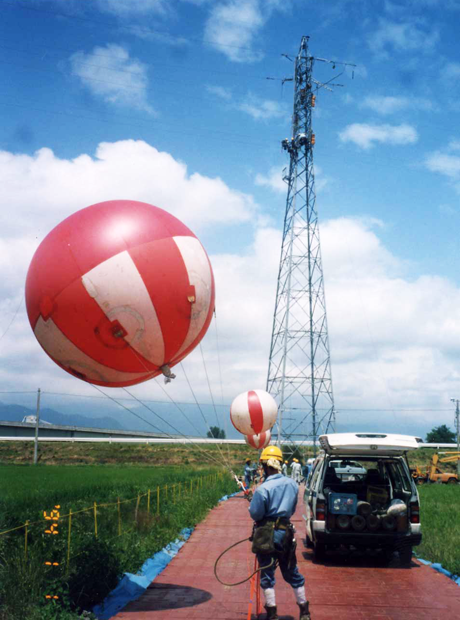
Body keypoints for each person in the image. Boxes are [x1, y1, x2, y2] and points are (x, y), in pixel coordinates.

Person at [249, 445, 310, 620]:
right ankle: (304, 610)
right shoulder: (292, 484)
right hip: (286, 532)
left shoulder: (262, 489)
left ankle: (272, 614)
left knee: (267, 573)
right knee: (291, 570)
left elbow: (256, 514)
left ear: (266, 466)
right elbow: (290, 509)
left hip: (266, 534)